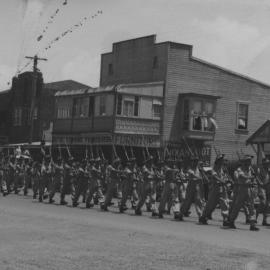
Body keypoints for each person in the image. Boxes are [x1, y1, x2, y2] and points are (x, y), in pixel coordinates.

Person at [226, 155, 259, 231]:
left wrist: (253, 181)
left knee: (252, 207)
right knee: (237, 207)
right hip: (242, 189)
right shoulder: (239, 169)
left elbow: (254, 177)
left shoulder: (251, 169)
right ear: (244, 162)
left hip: (249, 189)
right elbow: (242, 177)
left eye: (250, 161)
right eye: (248, 160)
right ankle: (231, 221)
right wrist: (250, 178)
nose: (250, 162)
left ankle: (252, 225)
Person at [199, 154, 230, 226]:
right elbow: (215, 177)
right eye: (221, 160)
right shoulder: (214, 169)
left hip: (222, 189)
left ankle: (225, 219)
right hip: (215, 189)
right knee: (210, 204)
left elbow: (225, 177)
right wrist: (222, 181)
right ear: (218, 161)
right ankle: (204, 217)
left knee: (225, 203)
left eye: (223, 160)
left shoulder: (223, 169)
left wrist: (227, 181)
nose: (223, 161)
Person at [177, 156, 205, 221]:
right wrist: (199, 178)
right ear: (192, 162)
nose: (195, 162)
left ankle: (200, 215)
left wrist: (202, 174)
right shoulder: (190, 169)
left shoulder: (199, 169)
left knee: (198, 200)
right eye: (194, 161)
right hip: (190, 187)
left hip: (197, 187)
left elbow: (202, 178)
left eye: (196, 161)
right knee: (187, 202)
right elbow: (193, 175)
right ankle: (181, 214)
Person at [256, 158, 270, 226]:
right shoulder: (259, 170)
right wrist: (260, 183)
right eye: (266, 163)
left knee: (267, 205)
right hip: (262, 188)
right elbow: (257, 177)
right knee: (263, 202)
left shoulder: (269, 170)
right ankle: (255, 217)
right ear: (263, 164)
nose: (267, 165)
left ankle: (264, 220)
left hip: (268, 188)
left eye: (268, 163)